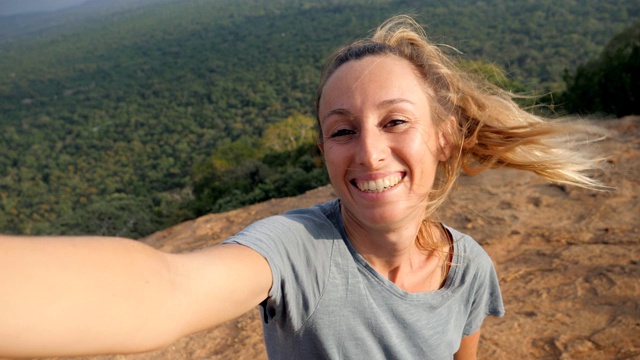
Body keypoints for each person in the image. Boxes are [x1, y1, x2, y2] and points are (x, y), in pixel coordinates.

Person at [0, 15, 605, 360]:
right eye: (342, 131)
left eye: (395, 121)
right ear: (323, 152)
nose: (368, 150)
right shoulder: (297, 252)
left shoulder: (470, 268)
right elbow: (167, 289)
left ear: (444, 137)